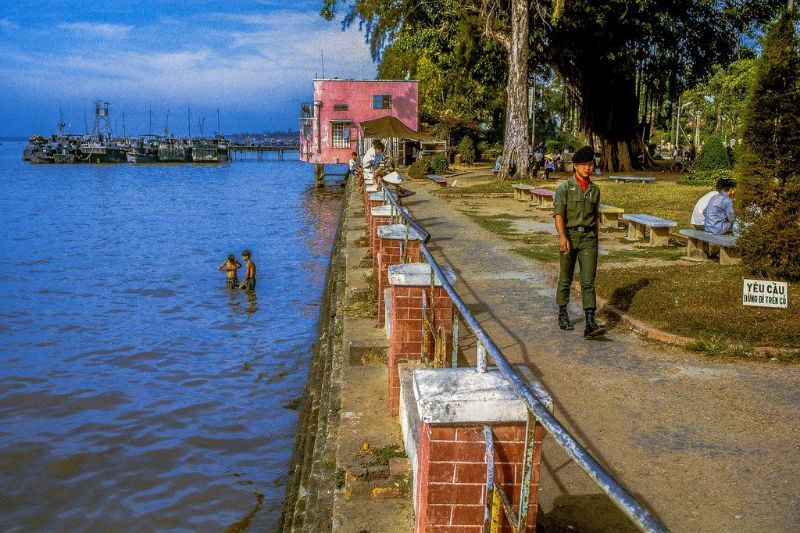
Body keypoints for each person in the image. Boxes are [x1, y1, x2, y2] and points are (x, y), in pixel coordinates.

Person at [552, 145, 606, 339]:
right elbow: (558, 214)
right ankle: (562, 312)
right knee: (566, 278)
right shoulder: (564, 188)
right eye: (583, 165)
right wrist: (562, 237)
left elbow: (596, 217)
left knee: (588, 281)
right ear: (575, 166)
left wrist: (596, 241)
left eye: (590, 164)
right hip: (570, 236)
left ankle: (590, 322)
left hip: (588, 239)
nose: (587, 168)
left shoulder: (595, 190)